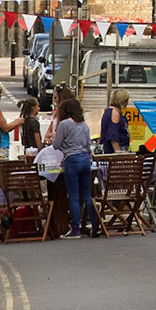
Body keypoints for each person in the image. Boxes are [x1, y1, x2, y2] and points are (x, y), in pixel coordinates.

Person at [53, 96, 97, 239]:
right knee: (86, 194)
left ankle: (75, 229)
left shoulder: (64, 124)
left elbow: (56, 145)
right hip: (85, 159)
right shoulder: (84, 124)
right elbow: (87, 144)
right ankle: (96, 224)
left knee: (73, 196)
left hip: (71, 160)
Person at [100, 88, 131, 154]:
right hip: (115, 153)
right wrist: (118, 153)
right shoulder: (115, 113)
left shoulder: (108, 112)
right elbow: (113, 136)